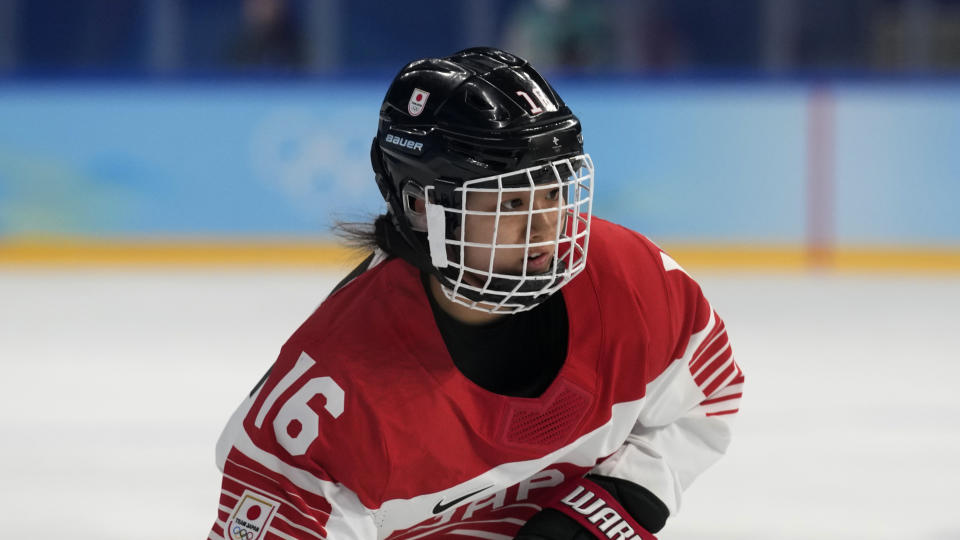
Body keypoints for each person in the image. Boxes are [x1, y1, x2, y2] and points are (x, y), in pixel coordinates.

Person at [207, 47, 743, 540]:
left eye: (555, 190)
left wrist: (611, 505)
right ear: (421, 207)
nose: (547, 226)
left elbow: (706, 398)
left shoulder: (631, 279)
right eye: (511, 201)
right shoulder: (331, 403)